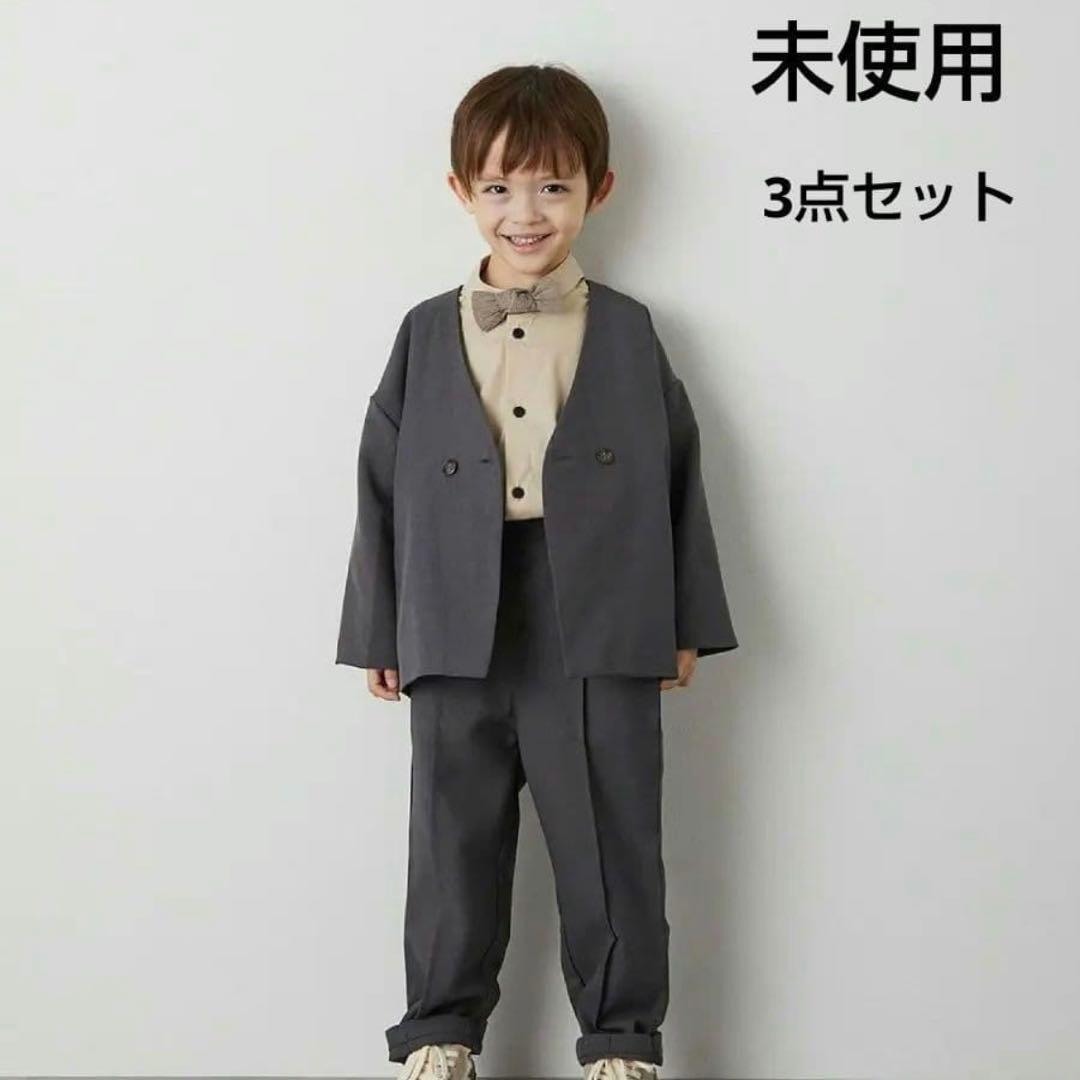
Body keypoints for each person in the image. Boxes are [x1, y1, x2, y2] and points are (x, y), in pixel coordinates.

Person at [336, 63, 738, 1080]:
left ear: (599, 191)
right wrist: (379, 627)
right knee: (451, 836)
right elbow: (380, 482)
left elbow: (679, 475)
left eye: (554, 186)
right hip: (451, 608)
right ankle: (439, 1033)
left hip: (599, 605)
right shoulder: (424, 331)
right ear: (460, 191)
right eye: (500, 187)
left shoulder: (630, 329)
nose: (526, 213)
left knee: (610, 833)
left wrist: (683, 621)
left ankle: (621, 1043)